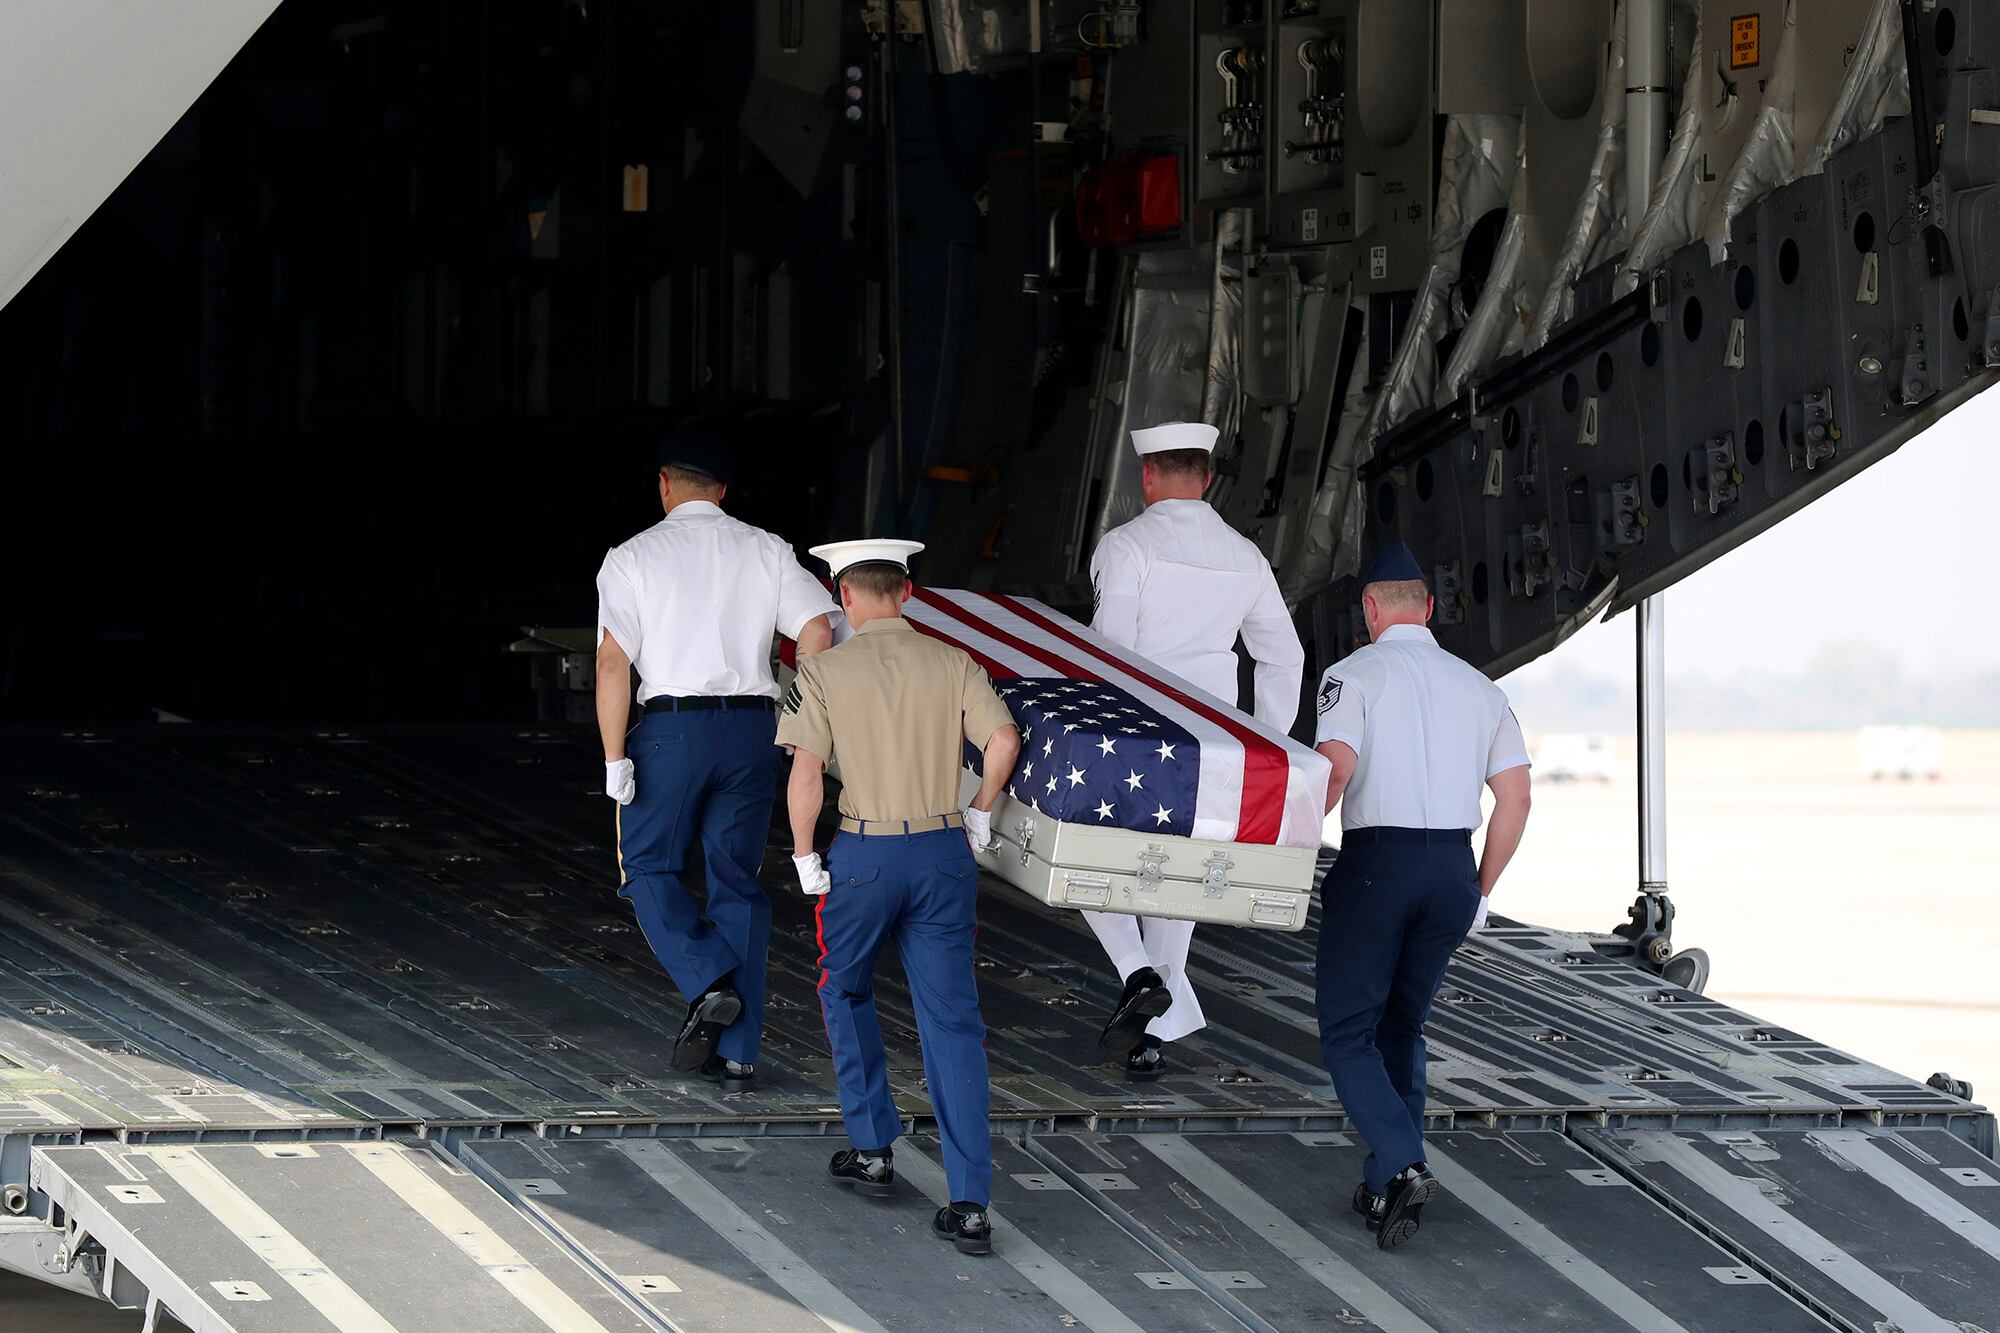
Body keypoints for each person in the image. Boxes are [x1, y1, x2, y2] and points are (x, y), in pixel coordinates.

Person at [777, 538, 1020, 1256]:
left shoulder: (821, 671)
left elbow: (806, 775)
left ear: (840, 592)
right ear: (907, 591)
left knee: (844, 987)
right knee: (952, 1022)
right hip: (943, 852)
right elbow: (1003, 738)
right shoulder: (953, 662)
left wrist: (801, 856)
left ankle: (874, 1145)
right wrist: (979, 807)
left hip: (865, 854)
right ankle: (971, 1201)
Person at [596, 423, 836, 1091]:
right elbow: (818, 627)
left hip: (672, 731)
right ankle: (738, 1052)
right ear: (724, 491)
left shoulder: (632, 556)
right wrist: (803, 715)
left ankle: (706, 980)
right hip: (752, 730)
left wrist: (615, 754)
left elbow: (613, 663)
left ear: (665, 484)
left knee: (646, 867)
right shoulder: (764, 548)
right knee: (737, 881)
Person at [1312, 537, 1532, 1250]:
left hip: (1379, 862)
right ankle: (1381, 1185)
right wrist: (1480, 889)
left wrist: (1280, 838)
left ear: (1370, 609)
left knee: (1349, 1030)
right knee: (1401, 1027)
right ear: (1429, 607)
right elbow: (1516, 798)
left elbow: (1335, 771)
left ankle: (1404, 1163)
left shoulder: (1353, 674)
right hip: (1453, 871)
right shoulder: (1482, 687)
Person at [1083, 420, 1306, 1079]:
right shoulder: (1246, 555)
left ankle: (1136, 970)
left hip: (1142, 735)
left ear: (1147, 476)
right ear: (1206, 478)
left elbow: (1110, 650)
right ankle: (1154, 1028)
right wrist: (1264, 737)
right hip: (1213, 745)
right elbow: (1283, 655)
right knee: (1176, 880)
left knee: (1084, 852)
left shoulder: (1125, 546)